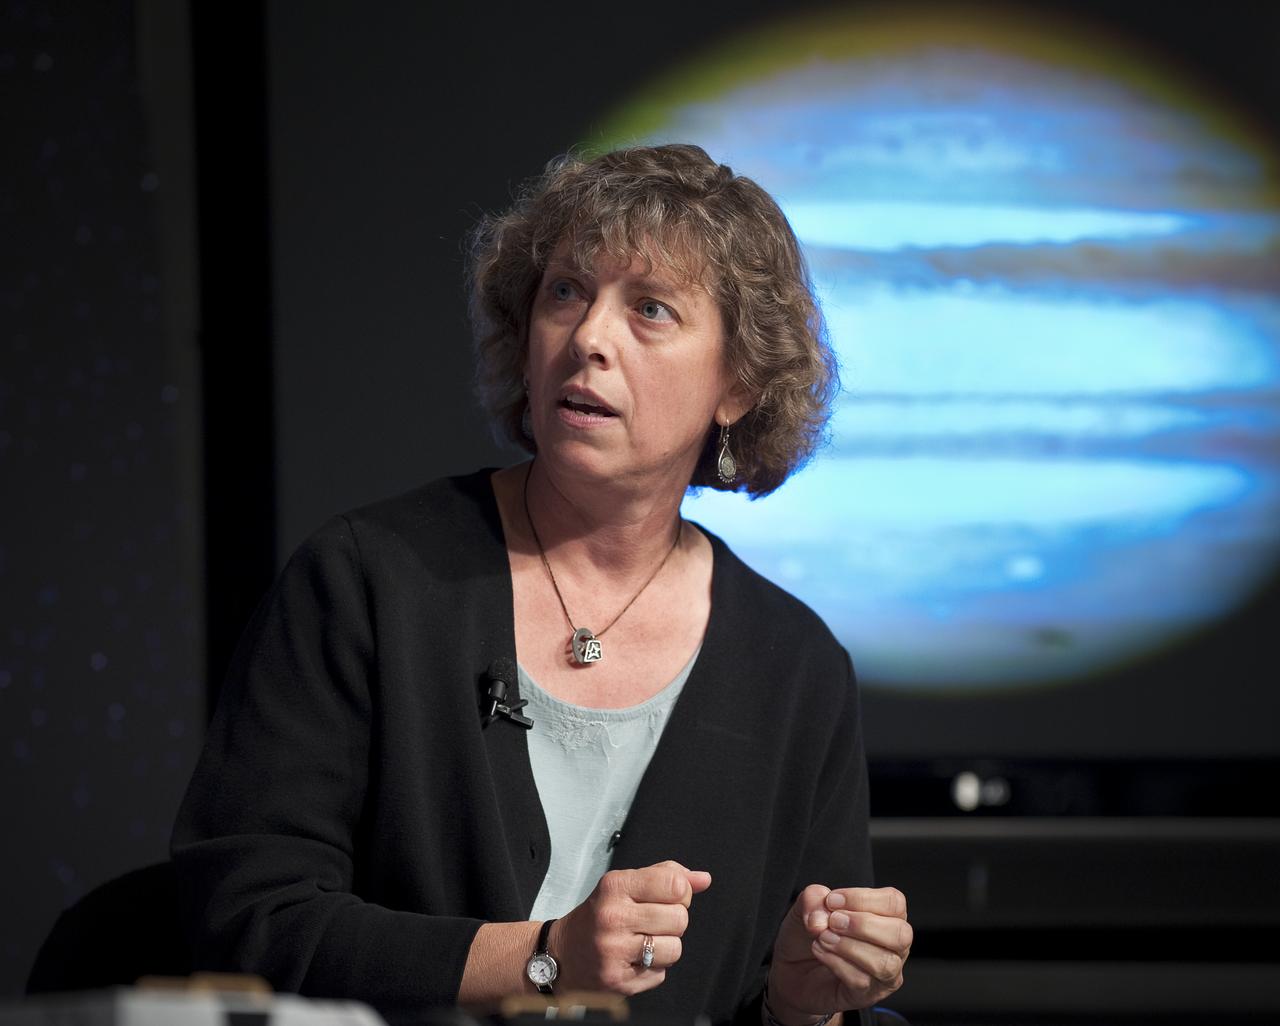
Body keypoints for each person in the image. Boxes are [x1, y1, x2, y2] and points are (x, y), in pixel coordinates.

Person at [171, 143, 911, 1026]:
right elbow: (241, 919)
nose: (589, 338)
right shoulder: (369, 581)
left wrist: (803, 1004)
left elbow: (762, 998)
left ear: (739, 385)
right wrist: (542, 958)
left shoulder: (796, 670)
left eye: (650, 310)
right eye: (566, 292)